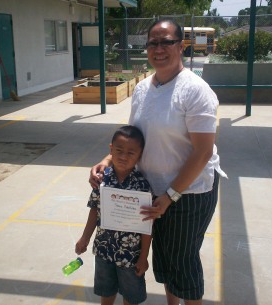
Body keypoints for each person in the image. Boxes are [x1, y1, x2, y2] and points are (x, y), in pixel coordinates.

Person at [89, 19, 226, 305]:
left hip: (187, 193)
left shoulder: (195, 90)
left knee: (183, 261)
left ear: (181, 45)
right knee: (164, 257)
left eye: (166, 41)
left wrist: (170, 195)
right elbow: (133, 137)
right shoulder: (142, 89)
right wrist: (107, 159)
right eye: (153, 42)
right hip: (150, 191)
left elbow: (202, 152)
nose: (159, 48)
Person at [76, 125, 153, 305]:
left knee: (130, 294)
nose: (124, 157)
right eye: (119, 151)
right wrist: (84, 239)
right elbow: (94, 211)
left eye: (131, 153)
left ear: (140, 155)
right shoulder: (102, 180)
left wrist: (143, 257)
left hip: (131, 255)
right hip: (104, 249)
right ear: (111, 149)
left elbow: (147, 224)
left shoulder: (142, 186)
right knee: (106, 290)